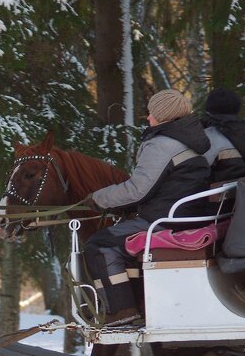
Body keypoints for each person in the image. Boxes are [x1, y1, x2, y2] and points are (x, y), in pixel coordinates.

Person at [81, 89, 212, 323]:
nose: (148, 118)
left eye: (152, 113)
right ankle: (134, 301)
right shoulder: (190, 139)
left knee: (98, 245)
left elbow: (137, 188)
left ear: (163, 115)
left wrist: (98, 199)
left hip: (164, 221)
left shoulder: (162, 144)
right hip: (187, 216)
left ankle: (121, 310)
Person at [201, 87, 245, 182]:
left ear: (209, 109)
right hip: (242, 191)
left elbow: (196, 170)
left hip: (213, 192)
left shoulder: (210, 135)